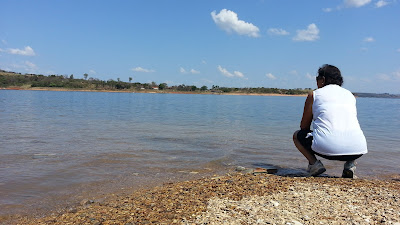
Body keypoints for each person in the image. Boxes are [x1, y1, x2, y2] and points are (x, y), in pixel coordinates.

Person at [293, 64, 368, 178]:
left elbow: (304, 126)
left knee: (297, 135)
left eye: (317, 79)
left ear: (322, 80)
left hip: (327, 149)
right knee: (350, 132)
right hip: (358, 149)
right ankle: (350, 166)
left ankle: (314, 165)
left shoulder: (314, 94)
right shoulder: (350, 95)